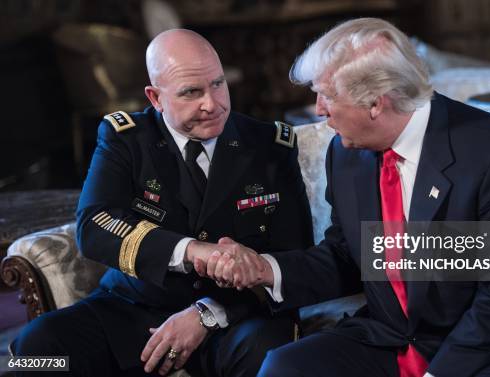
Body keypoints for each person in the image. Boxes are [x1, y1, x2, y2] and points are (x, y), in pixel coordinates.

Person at [193, 18, 490, 377]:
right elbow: (349, 255)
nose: (319, 111)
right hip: (394, 338)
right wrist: (268, 270)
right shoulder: (346, 153)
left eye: (326, 96)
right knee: (285, 367)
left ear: (376, 103)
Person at [13, 29, 313, 377]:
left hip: (235, 314)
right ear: (155, 97)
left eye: (218, 84)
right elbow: (93, 224)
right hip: (136, 309)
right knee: (36, 348)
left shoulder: (270, 146)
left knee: (271, 353)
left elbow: (295, 255)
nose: (213, 104)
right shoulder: (126, 139)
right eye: (191, 92)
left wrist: (207, 313)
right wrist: (190, 250)